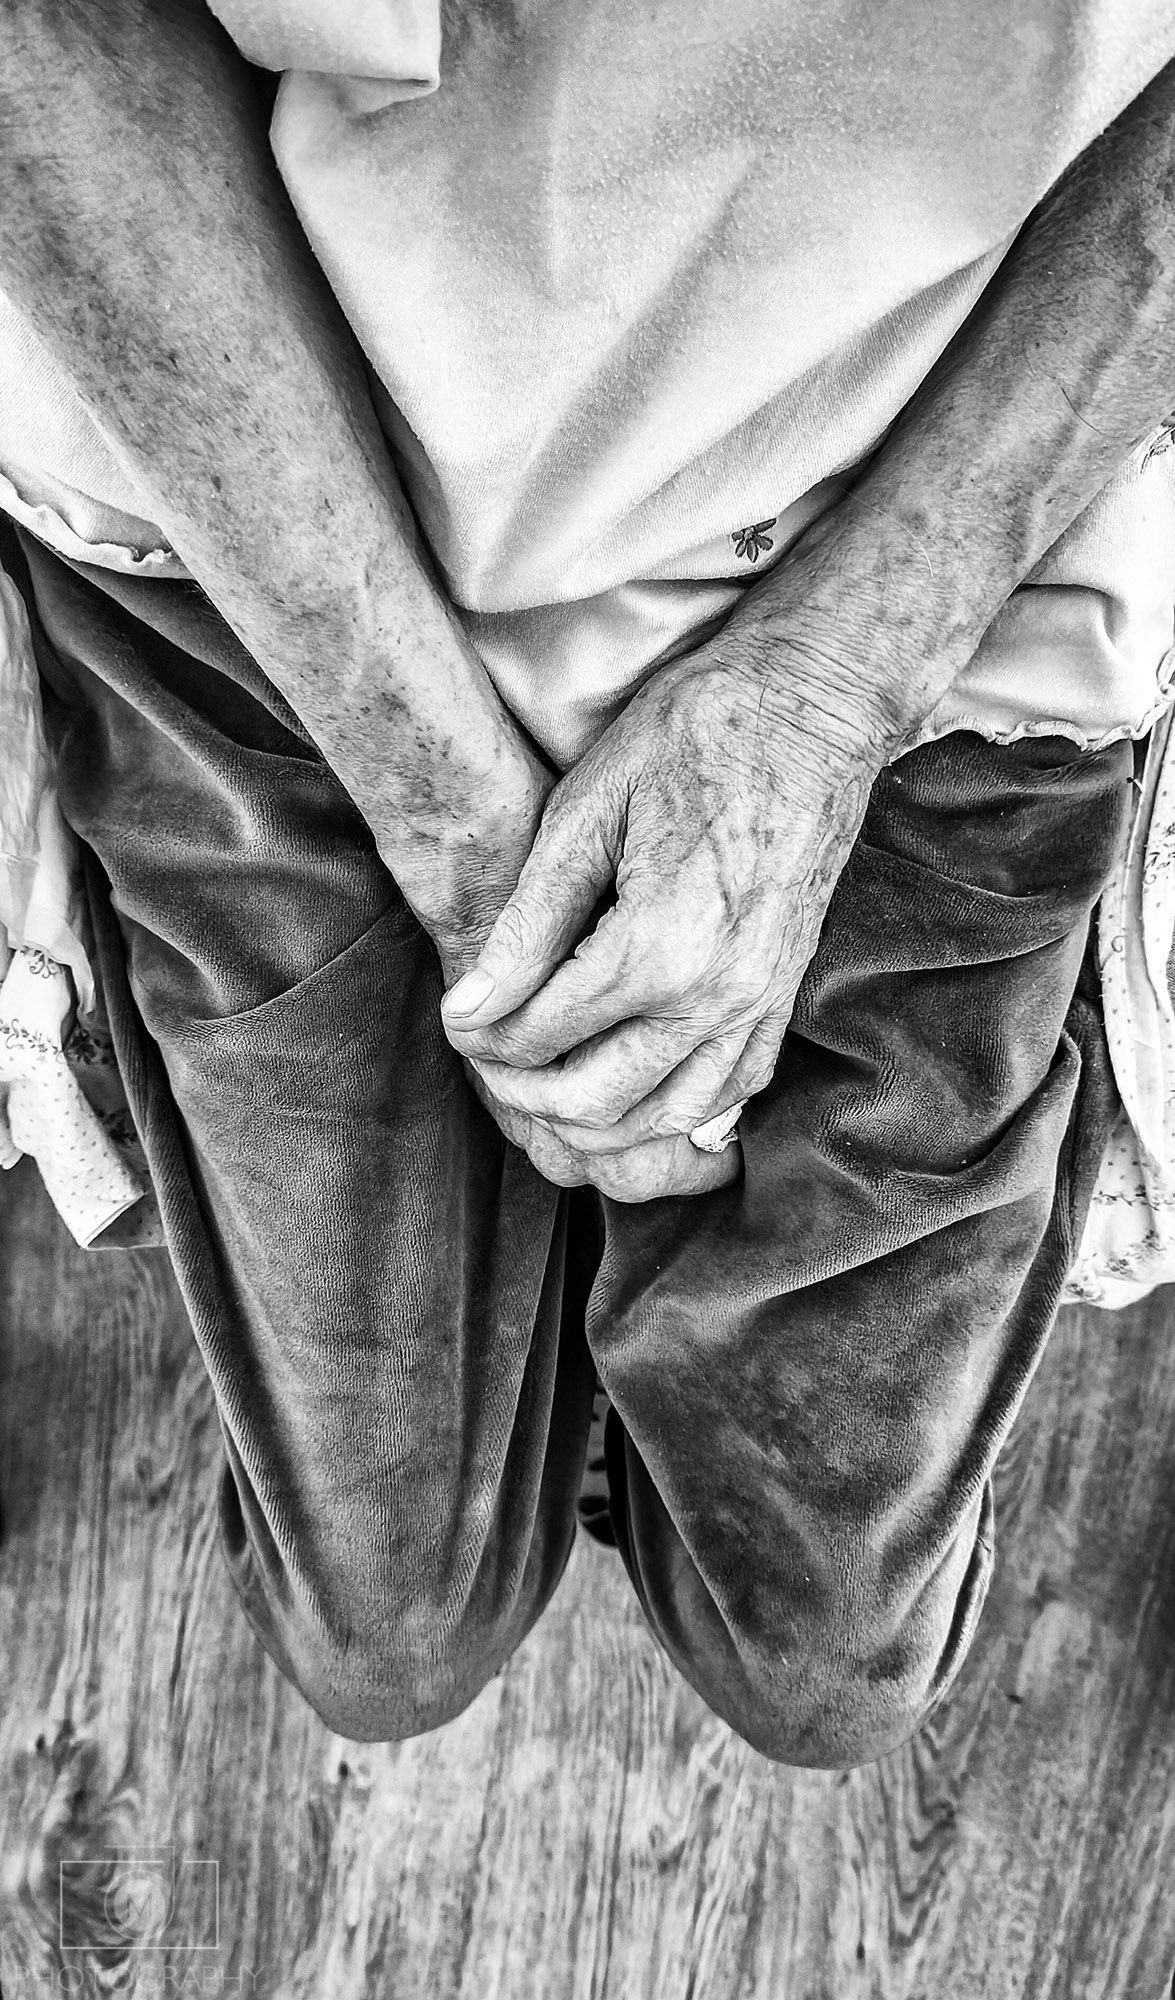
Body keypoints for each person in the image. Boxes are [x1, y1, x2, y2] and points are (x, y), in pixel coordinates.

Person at [0, 0, 1174, 1766]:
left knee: (828, 1668)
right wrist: (459, 835)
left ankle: (608, 1326)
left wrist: (833, 682)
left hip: (946, 538)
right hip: (257, 537)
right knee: (387, 1638)